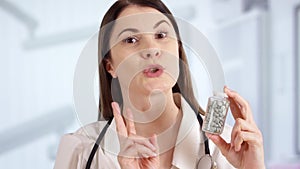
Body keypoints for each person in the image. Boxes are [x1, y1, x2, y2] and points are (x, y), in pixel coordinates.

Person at [54, 0, 265, 168]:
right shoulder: (79, 150)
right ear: (110, 66)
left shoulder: (230, 145)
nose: (152, 49)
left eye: (161, 35)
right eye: (131, 40)